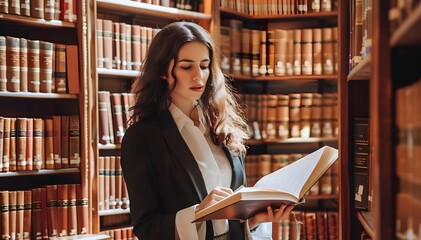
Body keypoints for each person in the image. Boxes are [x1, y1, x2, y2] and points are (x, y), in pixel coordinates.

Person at [121, 21, 294, 240]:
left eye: (204, 66)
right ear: (163, 71)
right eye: (186, 66)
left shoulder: (223, 128)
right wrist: (199, 213)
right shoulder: (142, 138)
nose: (198, 76)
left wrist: (253, 220)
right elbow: (146, 227)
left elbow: (231, 219)